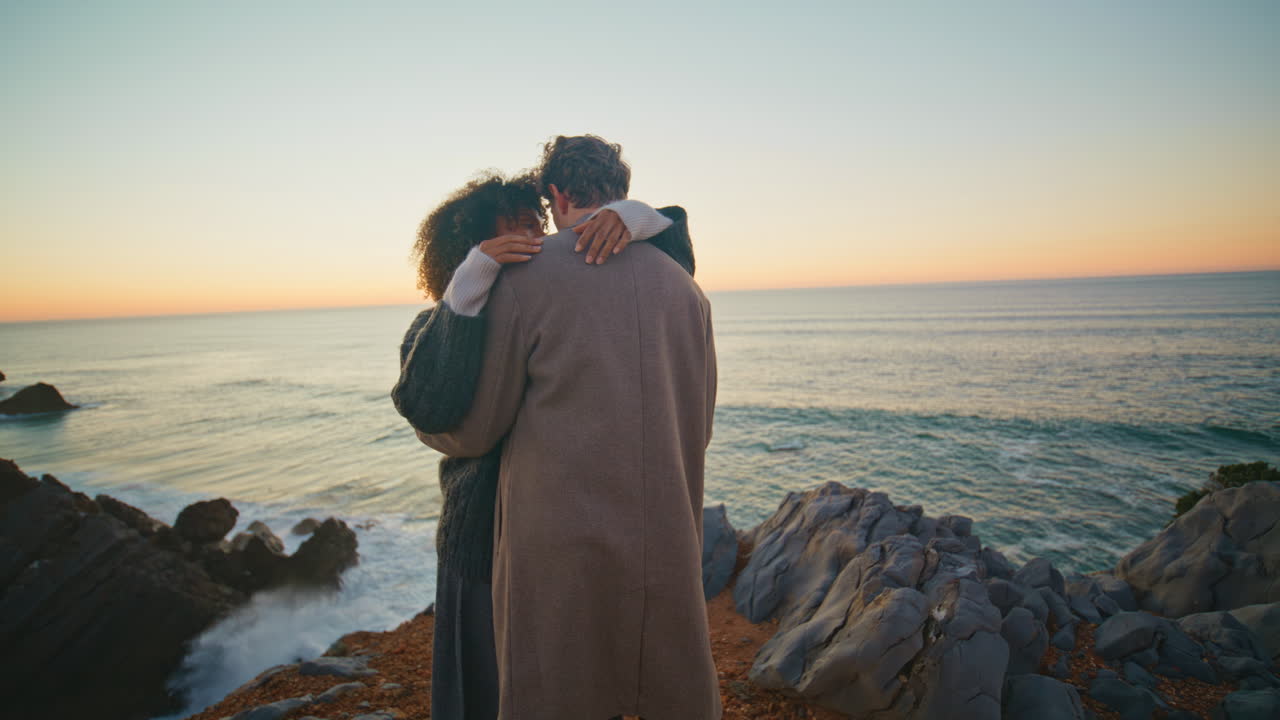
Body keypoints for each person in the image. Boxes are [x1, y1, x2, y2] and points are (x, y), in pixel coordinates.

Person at [416, 135, 720, 720]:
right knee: (657, 683)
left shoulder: (527, 276)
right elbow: (697, 424)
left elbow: (477, 430)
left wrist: (437, 435)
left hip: (556, 540)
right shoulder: (686, 288)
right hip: (664, 527)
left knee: (557, 691)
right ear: (622, 193)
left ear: (555, 193)